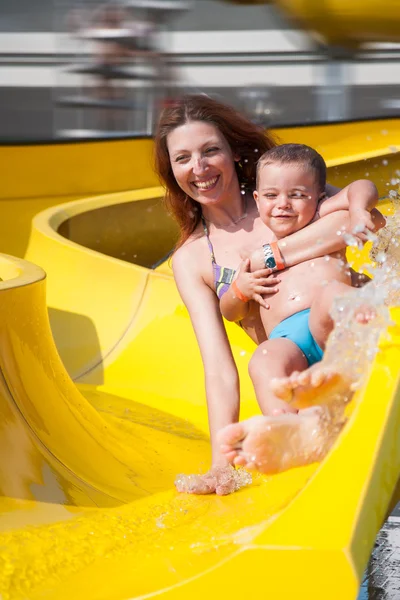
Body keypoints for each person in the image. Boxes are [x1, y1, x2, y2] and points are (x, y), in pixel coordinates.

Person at [154, 94, 385, 495]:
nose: (200, 167)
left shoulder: (283, 193)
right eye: (183, 158)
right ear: (171, 170)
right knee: (263, 364)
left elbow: (359, 219)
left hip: (352, 334)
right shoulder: (191, 260)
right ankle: (290, 429)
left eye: (211, 151)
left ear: (234, 152)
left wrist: (269, 255)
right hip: (294, 365)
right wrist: (219, 464)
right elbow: (219, 370)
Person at [217, 144, 378, 474]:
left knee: (332, 293)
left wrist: (360, 209)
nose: (283, 205)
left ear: (318, 197)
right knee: (264, 359)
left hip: (330, 325)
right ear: (258, 199)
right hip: (288, 340)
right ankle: (288, 429)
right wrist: (239, 290)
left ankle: (359, 326)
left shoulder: (320, 216)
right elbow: (229, 312)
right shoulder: (250, 252)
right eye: (272, 195)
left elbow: (363, 187)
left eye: (297, 195)